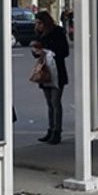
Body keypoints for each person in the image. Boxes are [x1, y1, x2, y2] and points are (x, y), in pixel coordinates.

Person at [34, 10, 69, 145]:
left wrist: (49, 51)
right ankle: (51, 129)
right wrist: (37, 51)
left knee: (55, 102)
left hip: (57, 71)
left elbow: (64, 51)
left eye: (40, 23)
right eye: (37, 23)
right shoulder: (40, 34)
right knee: (49, 103)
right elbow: (37, 53)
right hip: (45, 70)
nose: (38, 26)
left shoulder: (58, 32)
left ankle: (57, 131)